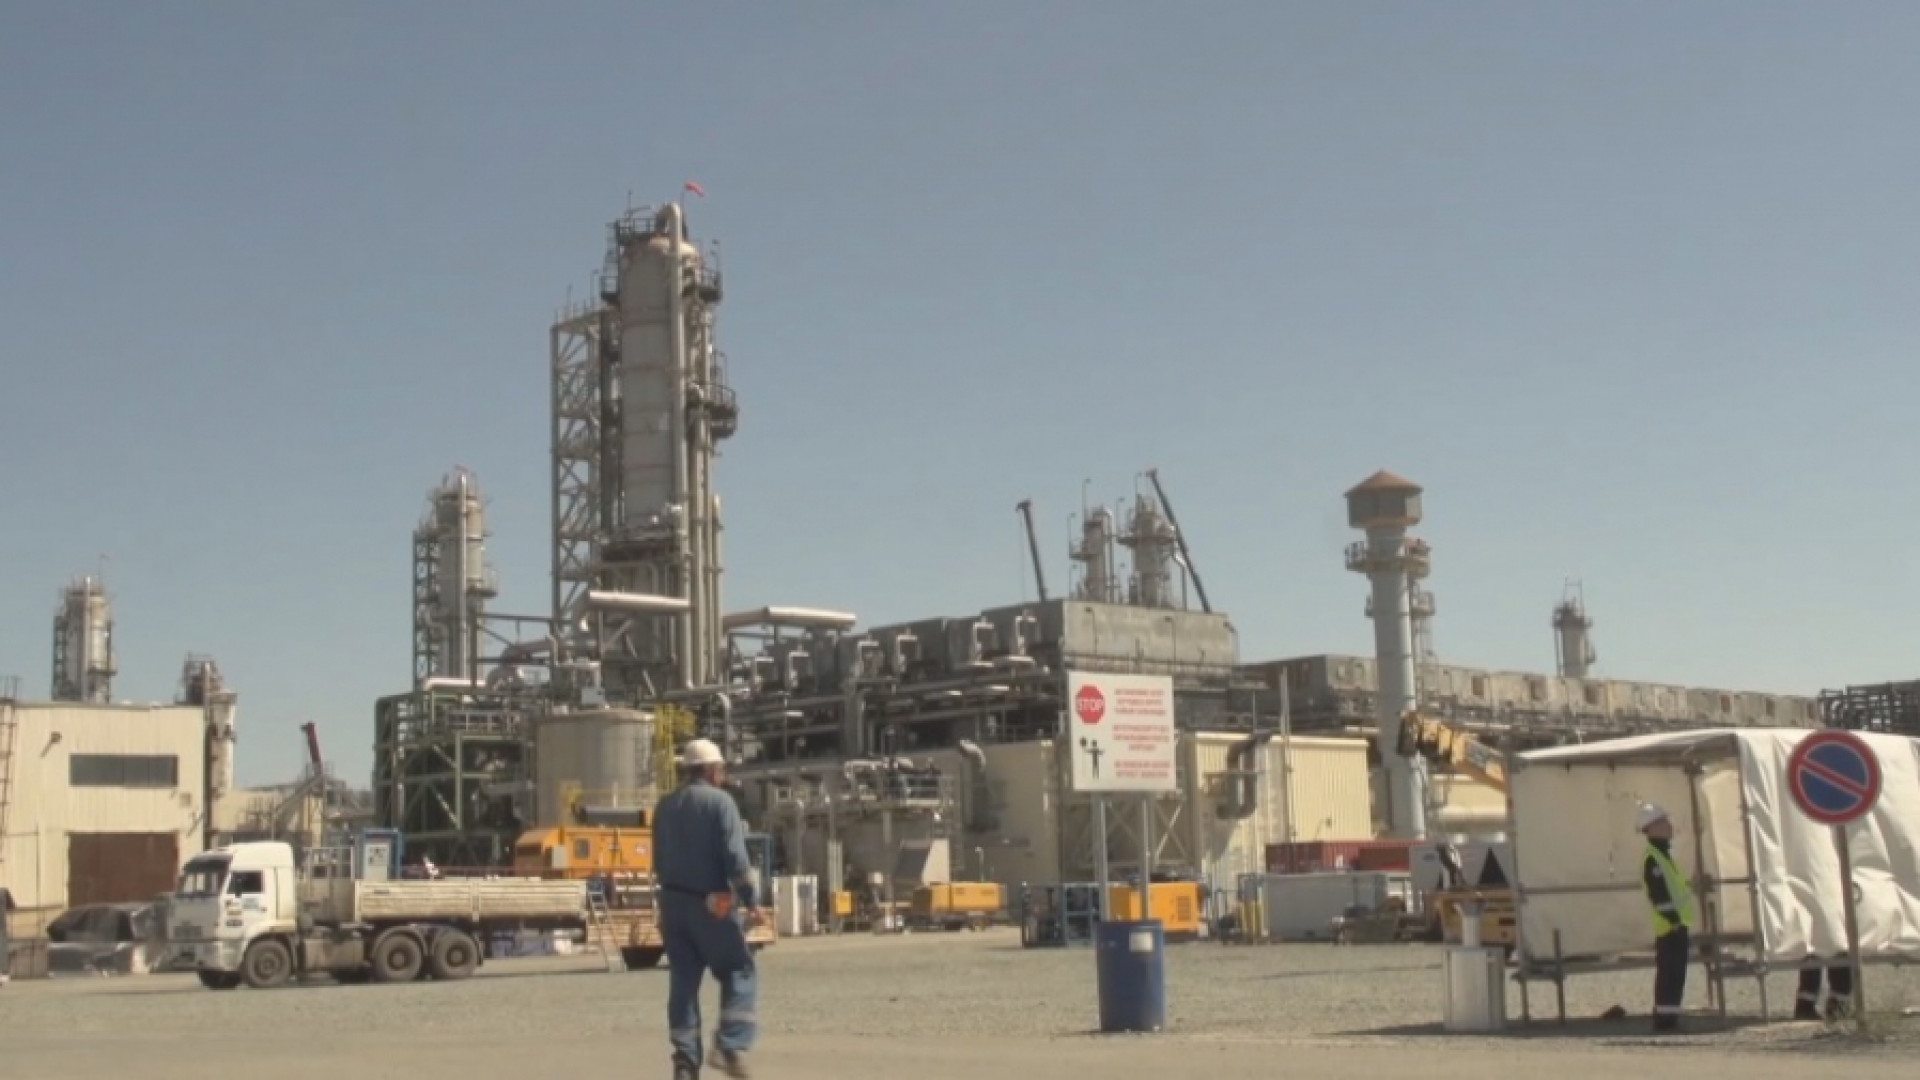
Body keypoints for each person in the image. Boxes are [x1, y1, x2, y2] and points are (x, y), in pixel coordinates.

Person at [654, 738, 765, 1080]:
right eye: (722, 770)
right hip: (711, 901)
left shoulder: (665, 806)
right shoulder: (721, 803)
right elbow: (735, 858)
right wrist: (751, 900)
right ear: (713, 770)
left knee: (683, 981)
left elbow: (658, 861)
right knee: (738, 968)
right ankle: (730, 1044)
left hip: (672, 903)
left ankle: (685, 1062)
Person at [1637, 802, 1697, 1032]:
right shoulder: (1653, 858)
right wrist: (1673, 920)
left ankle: (1669, 1016)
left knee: (1675, 973)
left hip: (1675, 925)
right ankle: (1664, 1020)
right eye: (1663, 822)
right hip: (1669, 926)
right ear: (1651, 827)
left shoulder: (1662, 855)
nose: (1669, 826)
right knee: (1670, 974)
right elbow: (1659, 894)